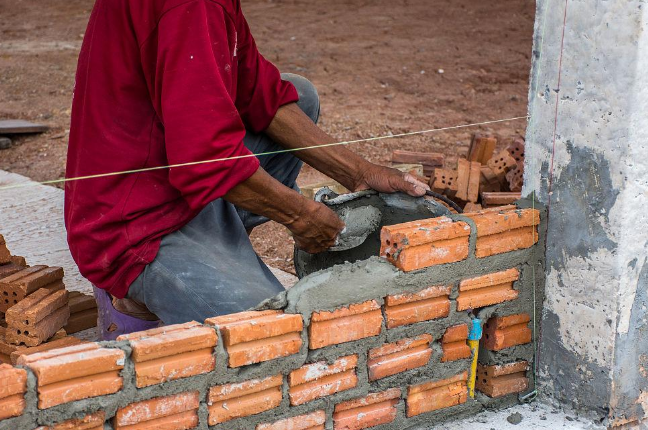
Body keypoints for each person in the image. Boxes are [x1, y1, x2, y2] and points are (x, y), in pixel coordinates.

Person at [65, 0, 428, 330]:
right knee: (269, 336)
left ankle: (219, 249)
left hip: (175, 180)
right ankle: (138, 286)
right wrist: (303, 216)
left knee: (297, 96)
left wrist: (359, 173)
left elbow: (257, 92)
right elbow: (206, 160)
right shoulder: (191, 7)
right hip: (133, 226)